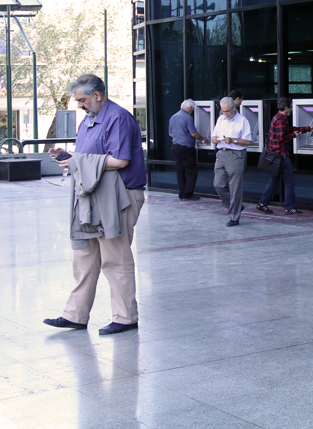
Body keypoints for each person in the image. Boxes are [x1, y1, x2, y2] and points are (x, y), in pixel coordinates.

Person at [43, 74, 146, 336]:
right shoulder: (89, 119)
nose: (79, 105)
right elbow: (87, 157)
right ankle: (75, 315)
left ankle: (126, 317)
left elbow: (120, 161)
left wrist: (77, 161)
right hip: (93, 194)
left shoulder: (118, 118)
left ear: (97, 95)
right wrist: (68, 157)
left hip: (119, 195)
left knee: (115, 257)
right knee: (85, 257)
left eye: (82, 100)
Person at [256, 97, 311, 215]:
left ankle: (262, 203)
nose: (291, 109)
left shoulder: (277, 117)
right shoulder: (281, 119)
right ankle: (289, 207)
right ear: (286, 108)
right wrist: (293, 136)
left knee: (274, 180)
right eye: (290, 107)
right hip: (281, 156)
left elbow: (289, 129)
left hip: (275, 155)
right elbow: (282, 137)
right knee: (289, 181)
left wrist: (306, 129)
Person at [211, 96, 251, 226]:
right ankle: (234, 206)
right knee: (218, 184)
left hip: (235, 154)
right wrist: (214, 139)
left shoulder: (242, 120)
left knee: (235, 187)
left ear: (234, 107)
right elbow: (213, 136)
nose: (225, 113)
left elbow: (248, 141)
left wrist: (233, 140)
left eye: (227, 110)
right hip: (221, 153)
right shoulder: (221, 119)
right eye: (223, 111)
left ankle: (234, 216)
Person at [168, 99, 208, 200]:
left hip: (175, 146)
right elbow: (193, 134)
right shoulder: (187, 117)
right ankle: (188, 194)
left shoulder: (173, 117)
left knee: (180, 171)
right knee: (191, 171)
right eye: (193, 109)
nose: (192, 111)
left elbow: (170, 134)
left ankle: (182, 193)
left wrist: (179, 136)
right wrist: (203, 139)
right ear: (190, 108)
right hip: (185, 148)